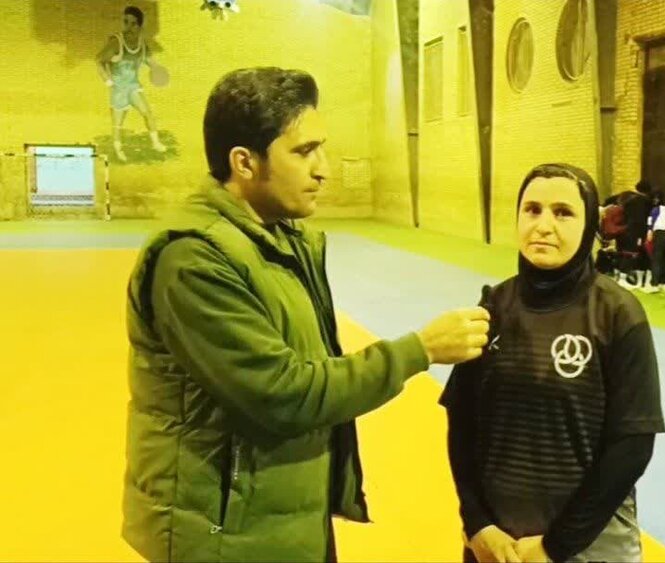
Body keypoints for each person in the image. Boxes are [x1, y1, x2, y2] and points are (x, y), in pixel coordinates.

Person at [121, 67, 491, 562]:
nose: (324, 169)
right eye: (304, 151)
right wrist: (419, 350)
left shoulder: (279, 237)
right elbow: (286, 394)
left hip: (281, 518)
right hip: (222, 535)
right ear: (244, 162)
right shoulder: (193, 260)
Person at [441, 164, 665, 562]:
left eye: (563, 213)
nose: (543, 226)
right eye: (532, 210)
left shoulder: (617, 314)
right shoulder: (493, 308)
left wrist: (554, 546)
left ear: (589, 225)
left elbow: (631, 446)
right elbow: (462, 422)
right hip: (498, 545)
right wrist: (477, 523)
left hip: (586, 546)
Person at [96, 5, 167, 161]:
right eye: (126, 22)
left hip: (133, 87)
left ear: (140, 26)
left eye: (133, 23)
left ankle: (156, 143)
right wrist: (108, 81)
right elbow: (99, 60)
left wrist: (158, 71)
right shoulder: (116, 42)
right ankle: (118, 150)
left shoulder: (142, 44)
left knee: (147, 113)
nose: (128, 27)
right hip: (118, 90)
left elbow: (151, 62)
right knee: (118, 124)